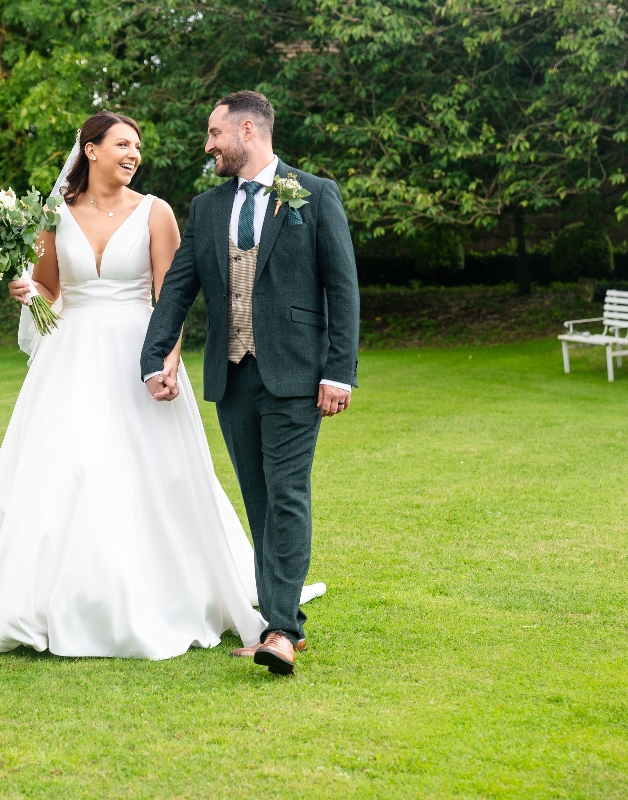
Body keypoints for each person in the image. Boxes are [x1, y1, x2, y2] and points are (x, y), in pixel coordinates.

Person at [0, 110, 322, 660]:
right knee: (67, 470)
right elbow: (50, 291)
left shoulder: (156, 212)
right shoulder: (54, 215)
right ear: (91, 150)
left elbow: (171, 295)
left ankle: (164, 593)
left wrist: (166, 362)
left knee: (150, 474)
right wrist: (26, 290)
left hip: (139, 353)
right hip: (70, 359)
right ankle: (56, 600)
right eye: (123, 144)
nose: (134, 155)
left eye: (137, 147)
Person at [141, 91, 360, 674]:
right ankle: (280, 621)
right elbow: (179, 287)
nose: (207, 145)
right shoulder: (207, 207)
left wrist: (339, 371)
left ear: (246, 130)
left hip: (297, 374)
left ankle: (281, 631)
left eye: (214, 133)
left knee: (286, 494)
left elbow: (342, 289)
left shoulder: (314, 194)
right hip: (232, 375)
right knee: (259, 499)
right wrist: (154, 356)